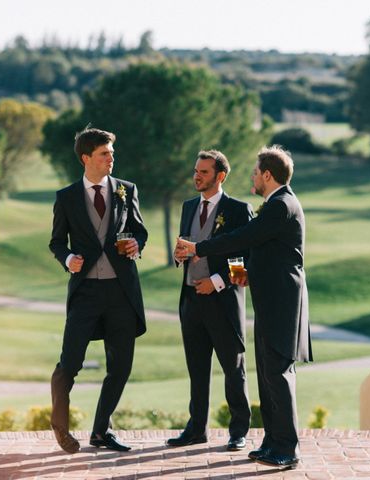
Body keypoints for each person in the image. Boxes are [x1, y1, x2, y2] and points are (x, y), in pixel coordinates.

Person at [177, 145, 312, 469]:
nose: (251, 176)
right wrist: (247, 274)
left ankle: (287, 448)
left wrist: (200, 248)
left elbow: (243, 240)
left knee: (278, 374)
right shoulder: (276, 204)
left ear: (267, 175)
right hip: (268, 301)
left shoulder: (280, 206)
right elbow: (265, 253)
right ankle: (271, 442)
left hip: (281, 303)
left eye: (254, 172)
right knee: (267, 373)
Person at [49, 127, 148, 454]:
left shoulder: (126, 190)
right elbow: (56, 242)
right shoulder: (66, 197)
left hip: (122, 293)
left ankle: (101, 431)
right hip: (86, 294)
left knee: (120, 367)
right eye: (105, 154)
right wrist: (67, 258)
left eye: (112, 154)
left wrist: (136, 243)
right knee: (69, 364)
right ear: (86, 158)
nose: (111, 159)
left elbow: (139, 231)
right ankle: (60, 427)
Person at [167, 150, 252, 451]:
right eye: (196, 171)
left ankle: (239, 430)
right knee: (197, 368)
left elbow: (245, 262)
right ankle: (196, 429)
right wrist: (178, 257)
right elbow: (185, 247)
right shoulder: (189, 207)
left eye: (203, 172)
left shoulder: (239, 210)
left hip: (223, 303)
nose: (197, 176)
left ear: (220, 176)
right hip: (190, 302)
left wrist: (216, 283)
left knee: (233, 368)